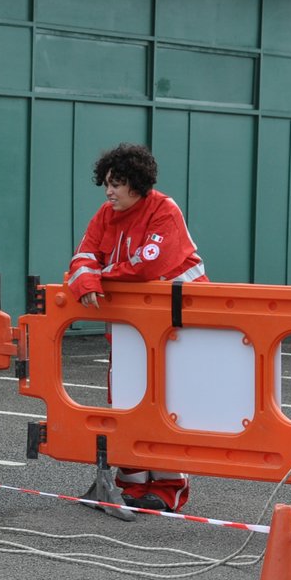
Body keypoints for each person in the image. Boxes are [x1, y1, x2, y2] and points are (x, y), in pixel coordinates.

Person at [65, 142, 206, 513]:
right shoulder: (105, 214)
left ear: (137, 184)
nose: (109, 191)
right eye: (107, 183)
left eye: (117, 184)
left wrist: (98, 277)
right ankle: (131, 483)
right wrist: (86, 279)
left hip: (177, 324)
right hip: (130, 324)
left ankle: (169, 486)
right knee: (126, 396)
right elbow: (82, 255)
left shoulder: (164, 210)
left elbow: (148, 265)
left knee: (169, 400)